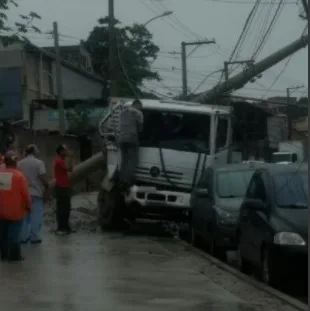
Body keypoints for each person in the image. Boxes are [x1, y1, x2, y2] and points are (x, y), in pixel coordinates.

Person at [0, 151, 31, 261]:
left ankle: (3, 254)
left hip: (2, 211)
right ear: (15, 162)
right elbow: (26, 195)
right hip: (16, 212)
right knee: (14, 235)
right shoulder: (19, 176)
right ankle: (14, 257)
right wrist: (29, 206)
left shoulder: (1, 174)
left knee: (3, 234)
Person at [18, 144, 49, 244]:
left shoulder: (20, 163)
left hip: (23, 193)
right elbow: (43, 178)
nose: (38, 152)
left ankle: (23, 237)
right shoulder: (39, 163)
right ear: (34, 151)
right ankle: (34, 237)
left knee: (24, 216)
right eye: (37, 150)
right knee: (36, 216)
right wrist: (47, 188)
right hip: (36, 193)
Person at [118, 99, 144, 191]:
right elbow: (140, 130)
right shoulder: (139, 114)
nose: (141, 109)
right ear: (137, 105)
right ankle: (127, 182)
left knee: (124, 161)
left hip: (121, 139)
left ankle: (121, 180)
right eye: (141, 107)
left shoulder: (122, 112)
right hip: (132, 139)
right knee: (133, 161)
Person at [53, 144, 74, 235]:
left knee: (65, 207)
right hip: (62, 187)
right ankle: (62, 227)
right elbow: (70, 169)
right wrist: (72, 158)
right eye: (65, 150)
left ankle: (65, 227)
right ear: (61, 152)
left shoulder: (60, 160)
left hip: (62, 186)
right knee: (64, 208)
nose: (67, 152)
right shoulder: (60, 161)